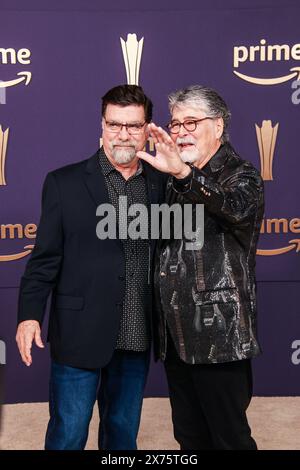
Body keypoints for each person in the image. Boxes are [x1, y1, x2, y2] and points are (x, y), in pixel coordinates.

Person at [16, 84, 166, 450]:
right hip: (79, 331)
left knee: (121, 435)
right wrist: (29, 315)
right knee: (68, 434)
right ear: (101, 125)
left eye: (133, 126)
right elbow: (44, 259)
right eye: (115, 124)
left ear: (148, 129)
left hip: (136, 331)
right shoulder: (63, 183)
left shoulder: (163, 183)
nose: (123, 134)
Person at [137, 85, 264, 450]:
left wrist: (183, 175)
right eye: (175, 125)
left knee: (229, 439)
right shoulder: (175, 178)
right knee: (189, 438)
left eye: (191, 122)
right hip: (176, 336)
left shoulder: (243, 175)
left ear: (219, 126)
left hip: (220, 337)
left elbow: (231, 206)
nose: (180, 132)